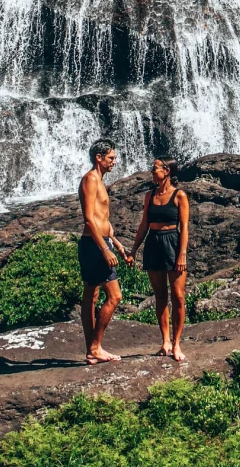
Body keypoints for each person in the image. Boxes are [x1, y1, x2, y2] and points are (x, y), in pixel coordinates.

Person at [78, 138, 133, 365]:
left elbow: (103, 221)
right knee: (115, 295)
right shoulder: (91, 179)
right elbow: (89, 219)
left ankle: (92, 350)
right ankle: (95, 346)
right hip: (94, 245)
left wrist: (117, 245)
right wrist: (105, 249)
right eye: (111, 158)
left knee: (91, 296)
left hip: (99, 243)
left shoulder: (99, 181)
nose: (114, 162)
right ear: (98, 158)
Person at [129, 156, 189, 362]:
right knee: (160, 296)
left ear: (167, 171)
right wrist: (134, 249)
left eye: (155, 169)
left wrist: (182, 254)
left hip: (173, 242)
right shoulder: (150, 195)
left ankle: (178, 343)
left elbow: (184, 228)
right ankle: (165, 341)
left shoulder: (180, 196)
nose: (152, 172)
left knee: (178, 296)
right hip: (153, 243)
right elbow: (144, 224)